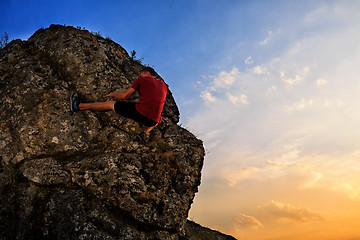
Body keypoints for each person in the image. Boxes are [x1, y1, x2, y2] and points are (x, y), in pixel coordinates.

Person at [70, 67, 168, 143]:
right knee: (156, 119)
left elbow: (124, 96)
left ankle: (78, 106)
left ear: (147, 73)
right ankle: (144, 133)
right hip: (152, 121)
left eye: (141, 75)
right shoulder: (163, 85)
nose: (140, 76)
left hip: (141, 112)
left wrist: (114, 94)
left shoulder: (141, 80)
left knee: (110, 104)